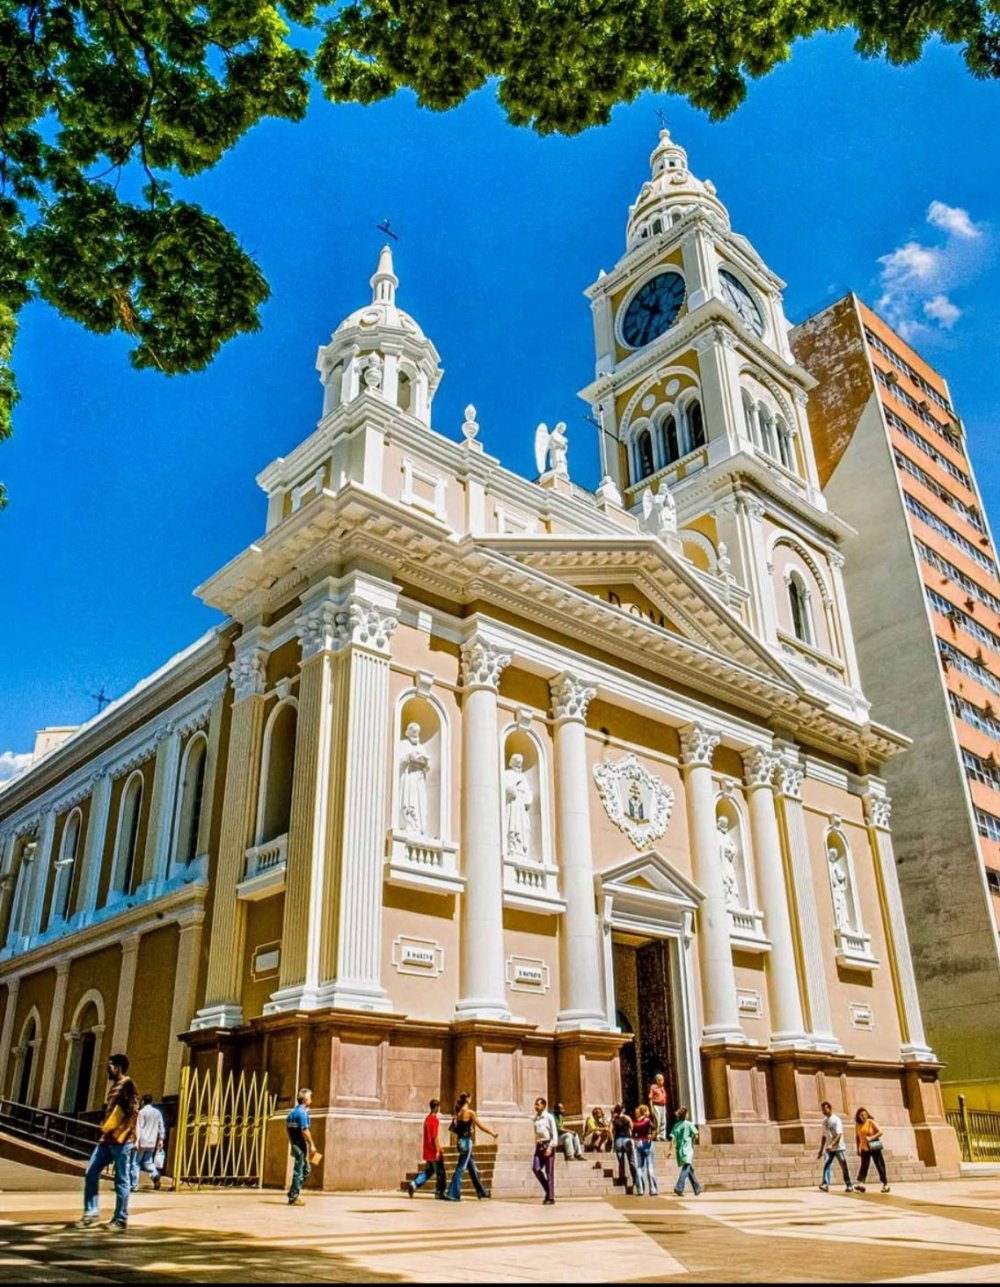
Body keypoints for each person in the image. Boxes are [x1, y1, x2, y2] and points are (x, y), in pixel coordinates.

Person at [72, 1052, 139, 1232]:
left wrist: (121, 1132)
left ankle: (120, 1219)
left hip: (122, 1141)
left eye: (110, 1066)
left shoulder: (128, 1085)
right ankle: (91, 1213)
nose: (107, 1070)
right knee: (91, 1171)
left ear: (118, 1067)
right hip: (106, 1140)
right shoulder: (114, 1087)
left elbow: (133, 1111)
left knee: (121, 1180)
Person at [445, 1092, 497, 1201]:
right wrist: (492, 1133)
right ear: (468, 1099)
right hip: (466, 1142)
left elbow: (457, 1129)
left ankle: (482, 1192)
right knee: (460, 1168)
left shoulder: (458, 1113)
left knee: (472, 1167)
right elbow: (481, 1126)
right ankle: (452, 1193)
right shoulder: (470, 1113)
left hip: (460, 1142)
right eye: (470, 1098)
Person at [286, 1087, 320, 1206]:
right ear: (305, 1100)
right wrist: (312, 1145)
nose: (311, 1100)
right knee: (299, 1171)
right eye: (310, 1098)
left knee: (306, 1169)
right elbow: (305, 1130)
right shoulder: (302, 1113)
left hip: (296, 1144)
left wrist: (293, 1143)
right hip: (300, 1145)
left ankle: (293, 1192)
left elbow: (288, 1129)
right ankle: (293, 1196)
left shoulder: (292, 1112)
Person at [408, 1099, 447, 1198]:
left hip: (428, 1150)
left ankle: (414, 1183)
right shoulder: (434, 1120)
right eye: (438, 1107)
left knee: (428, 1171)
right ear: (436, 1107)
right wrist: (438, 1150)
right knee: (440, 1172)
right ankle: (439, 1192)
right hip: (433, 1151)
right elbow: (435, 1137)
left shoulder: (427, 1119)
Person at [817, 1100, 855, 1192]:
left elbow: (839, 1134)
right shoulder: (824, 1121)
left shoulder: (836, 1120)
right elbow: (824, 1136)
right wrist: (821, 1150)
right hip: (829, 1149)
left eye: (825, 1109)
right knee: (827, 1164)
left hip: (839, 1148)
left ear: (829, 1109)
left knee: (843, 1166)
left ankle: (849, 1184)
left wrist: (832, 1144)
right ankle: (825, 1184)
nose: (823, 1111)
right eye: (822, 1110)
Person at [131, 1094, 165, 1192]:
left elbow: (139, 1127)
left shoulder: (142, 1112)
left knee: (135, 1163)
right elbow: (161, 1126)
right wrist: (161, 1139)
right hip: (152, 1142)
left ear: (143, 1101)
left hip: (142, 1141)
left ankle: (134, 1185)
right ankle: (155, 1174)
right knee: (148, 1162)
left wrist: (137, 1141)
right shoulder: (157, 1113)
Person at [854, 1107, 890, 1193]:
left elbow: (881, 1132)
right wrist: (858, 1148)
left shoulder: (870, 1122)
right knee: (864, 1166)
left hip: (874, 1146)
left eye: (865, 1114)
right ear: (858, 1116)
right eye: (861, 1115)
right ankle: (861, 1184)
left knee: (879, 1165)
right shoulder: (858, 1125)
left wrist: (871, 1138)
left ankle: (885, 1184)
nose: (864, 1116)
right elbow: (857, 1137)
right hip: (864, 1148)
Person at [531, 1096, 559, 1204]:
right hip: (539, 1145)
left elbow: (554, 1133)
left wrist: (551, 1147)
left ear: (543, 1105)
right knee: (536, 1168)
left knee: (549, 1171)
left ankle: (550, 1197)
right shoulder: (536, 1118)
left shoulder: (549, 1117)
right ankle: (549, 1190)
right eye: (535, 1104)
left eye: (538, 1104)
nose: (536, 1106)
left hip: (548, 1144)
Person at [670, 1106, 701, 1197]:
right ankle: (679, 1187)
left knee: (689, 1168)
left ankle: (697, 1187)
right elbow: (696, 1134)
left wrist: (669, 1150)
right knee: (686, 1167)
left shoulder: (676, 1125)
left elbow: (672, 1139)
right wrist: (693, 1138)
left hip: (679, 1150)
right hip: (688, 1149)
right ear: (686, 1115)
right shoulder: (689, 1124)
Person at [611, 1103, 638, 1191]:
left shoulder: (614, 1119)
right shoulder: (627, 1118)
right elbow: (632, 1128)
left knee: (621, 1162)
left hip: (618, 1140)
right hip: (627, 1139)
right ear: (623, 1109)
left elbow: (612, 1130)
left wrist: (613, 1140)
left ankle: (622, 1180)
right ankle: (635, 1179)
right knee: (631, 1161)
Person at [633, 1104, 658, 1196]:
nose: (649, 1112)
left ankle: (640, 1189)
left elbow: (633, 1134)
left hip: (638, 1143)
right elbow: (654, 1128)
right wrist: (652, 1136)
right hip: (647, 1142)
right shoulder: (647, 1120)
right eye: (647, 1111)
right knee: (650, 1166)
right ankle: (653, 1189)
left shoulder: (635, 1122)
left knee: (639, 1166)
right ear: (644, 1111)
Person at [649, 1074, 669, 1142]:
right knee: (657, 1121)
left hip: (663, 1106)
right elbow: (650, 1098)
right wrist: (651, 1107)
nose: (662, 1081)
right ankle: (657, 1135)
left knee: (664, 1121)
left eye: (662, 1079)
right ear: (657, 1080)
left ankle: (662, 1136)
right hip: (656, 1105)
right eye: (660, 1079)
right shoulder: (653, 1087)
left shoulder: (662, 1088)